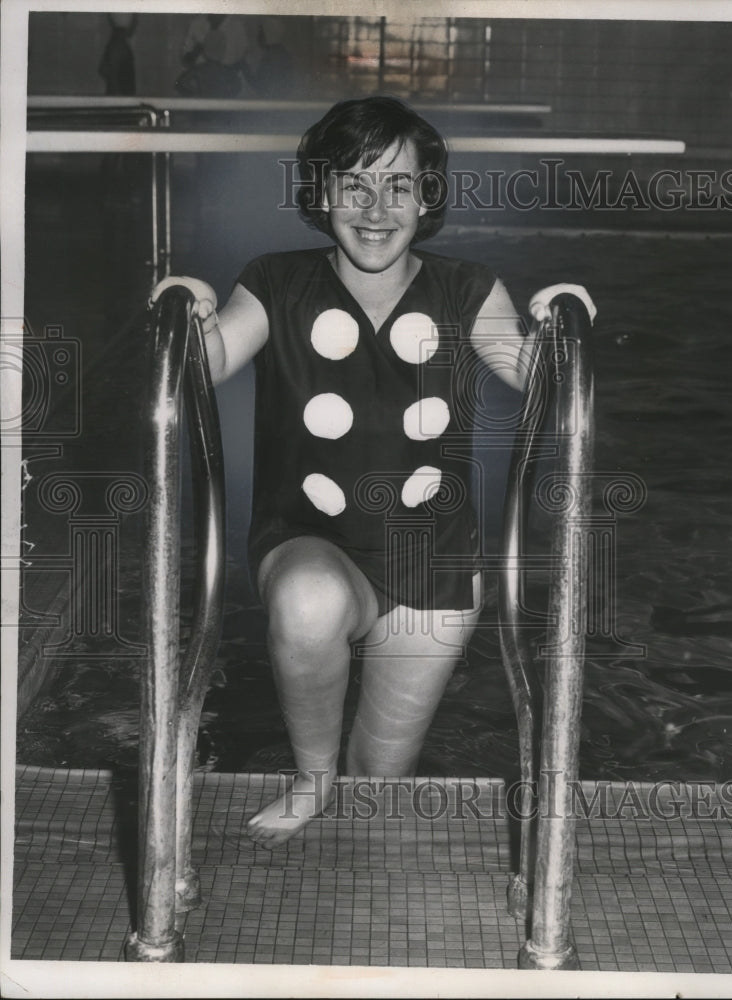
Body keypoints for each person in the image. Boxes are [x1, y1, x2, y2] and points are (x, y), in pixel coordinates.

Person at [152, 97, 595, 849]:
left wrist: (561, 324)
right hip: (310, 541)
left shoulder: (467, 289)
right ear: (321, 196)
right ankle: (310, 779)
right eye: (353, 185)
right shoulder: (276, 282)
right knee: (309, 602)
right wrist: (184, 306)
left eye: (399, 185)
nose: (376, 208)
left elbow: (531, 372)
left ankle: (350, 805)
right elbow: (214, 354)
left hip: (433, 564)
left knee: (380, 785)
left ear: (428, 198)